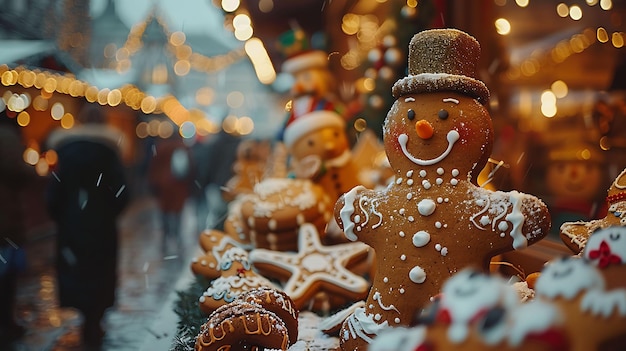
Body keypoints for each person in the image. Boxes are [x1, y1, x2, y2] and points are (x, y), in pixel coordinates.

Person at [45, 104, 129, 348]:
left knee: (78, 269)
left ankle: (85, 318)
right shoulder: (110, 153)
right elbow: (122, 194)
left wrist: (65, 217)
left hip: (72, 226)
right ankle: (95, 320)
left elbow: (53, 195)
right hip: (102, 228)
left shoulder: (65, 152)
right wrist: (107, 214)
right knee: (99, 272)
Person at [0, 110, 35, 347]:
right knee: (6, 277)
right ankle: (5, 325)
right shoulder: (6, 136)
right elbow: (19, 170)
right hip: (5, 216)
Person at [148, 132, 194, 254]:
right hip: (179, 187)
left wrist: (154, 183)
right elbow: (190, 169)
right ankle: (176, 237)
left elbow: (153, 166)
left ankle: (165, 237)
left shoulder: (161, 147)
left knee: (164, 212)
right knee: (177, 213)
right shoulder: (183, 147)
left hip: (163, 186)